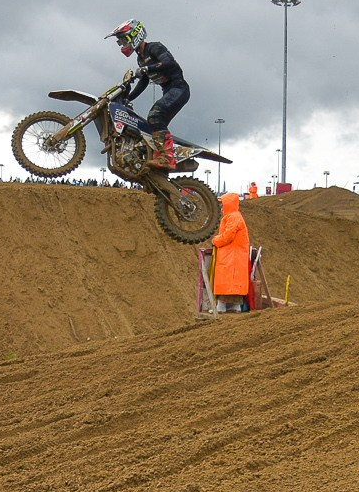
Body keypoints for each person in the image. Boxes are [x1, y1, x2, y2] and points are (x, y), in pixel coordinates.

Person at [107, 20, 190, 168]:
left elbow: (169, 63)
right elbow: (144, 82)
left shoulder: (155, 47)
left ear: (135, 35)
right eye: (120, 42)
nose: (123, 44)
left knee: (155, 116)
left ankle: (167, 158)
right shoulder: (140, 58)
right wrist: (128, 98)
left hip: (179, 89)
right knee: (152, 124)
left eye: (124, 40)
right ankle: (159, 156)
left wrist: (147, 69)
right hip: (170, 91)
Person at [210, 193, 252, 313]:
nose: (221, 208)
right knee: (235, 280)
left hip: (231, 255)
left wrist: (215, 241)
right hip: (233, 254)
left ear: (228, 204)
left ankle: (222, 306)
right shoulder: (235, 216)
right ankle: (235, 306)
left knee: (226, 279)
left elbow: (228, 235)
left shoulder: (233, 217)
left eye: (222, 205)